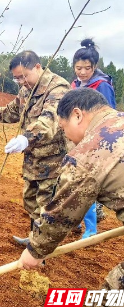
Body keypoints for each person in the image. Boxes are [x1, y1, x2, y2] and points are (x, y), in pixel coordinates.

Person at [17, 87, 124, 307]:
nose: (67, 137)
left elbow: (62, 212)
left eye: (64, 129)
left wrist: (35, 250)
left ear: (77, 115)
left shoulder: (91, 151)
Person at [0, 50, 70, 244]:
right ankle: (33, 240)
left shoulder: (58, 89)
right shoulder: (26, 90)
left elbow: (49, 120)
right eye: (16, 78)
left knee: (46, 206)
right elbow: (10, 112)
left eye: (23, 76)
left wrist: (26, 138)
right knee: (31, 201)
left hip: (53, 160)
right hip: (32, 159)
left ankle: (41, 251)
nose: (21, 81)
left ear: (37, 67)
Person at [72, 38, 116, 238]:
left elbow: (110, 114)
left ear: (94, 67)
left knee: (88, 183)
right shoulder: (74, 84)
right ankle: (76, 222)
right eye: (78, 67)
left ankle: (91, 228)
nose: (82, 72)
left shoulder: (102, 85)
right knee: (74, 181)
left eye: (87, 68)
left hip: (97, 141)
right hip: (78, 140)